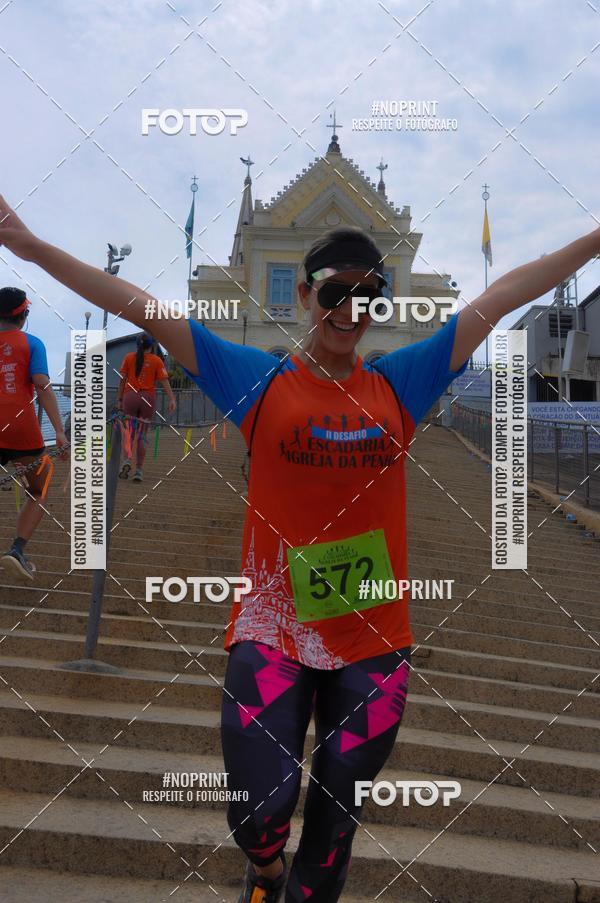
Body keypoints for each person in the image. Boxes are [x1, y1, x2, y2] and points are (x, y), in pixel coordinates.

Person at [0, 194, 598, 902]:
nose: (351, 312)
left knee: (334, 827)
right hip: (273, 627)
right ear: (308, 294)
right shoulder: (259, 380)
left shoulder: (400, 382)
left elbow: (502, 296)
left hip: (373, 635)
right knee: (259, 810)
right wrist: (32, 248)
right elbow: (141, 309)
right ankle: (263, 869)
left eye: (369, 297)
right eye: (336, 294)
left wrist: (593, 240)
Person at [0, 286, 68, 580]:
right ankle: (17, 550)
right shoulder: (33, 343)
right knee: (38, 490)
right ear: (23, 315)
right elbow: (41, 385)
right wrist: (60, 432)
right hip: (21, 428)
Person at [117, 331, 175, 481]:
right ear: (151, 346)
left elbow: (122, 380)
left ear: (137, 346)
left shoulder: (129, 358)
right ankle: (139, 471)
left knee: (129, 432)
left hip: (130, 396)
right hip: (148, 398)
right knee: (142, 434)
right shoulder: (156, 361)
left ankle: (127, 460)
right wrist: (172, 399)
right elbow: (164, 381)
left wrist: (119, 399)